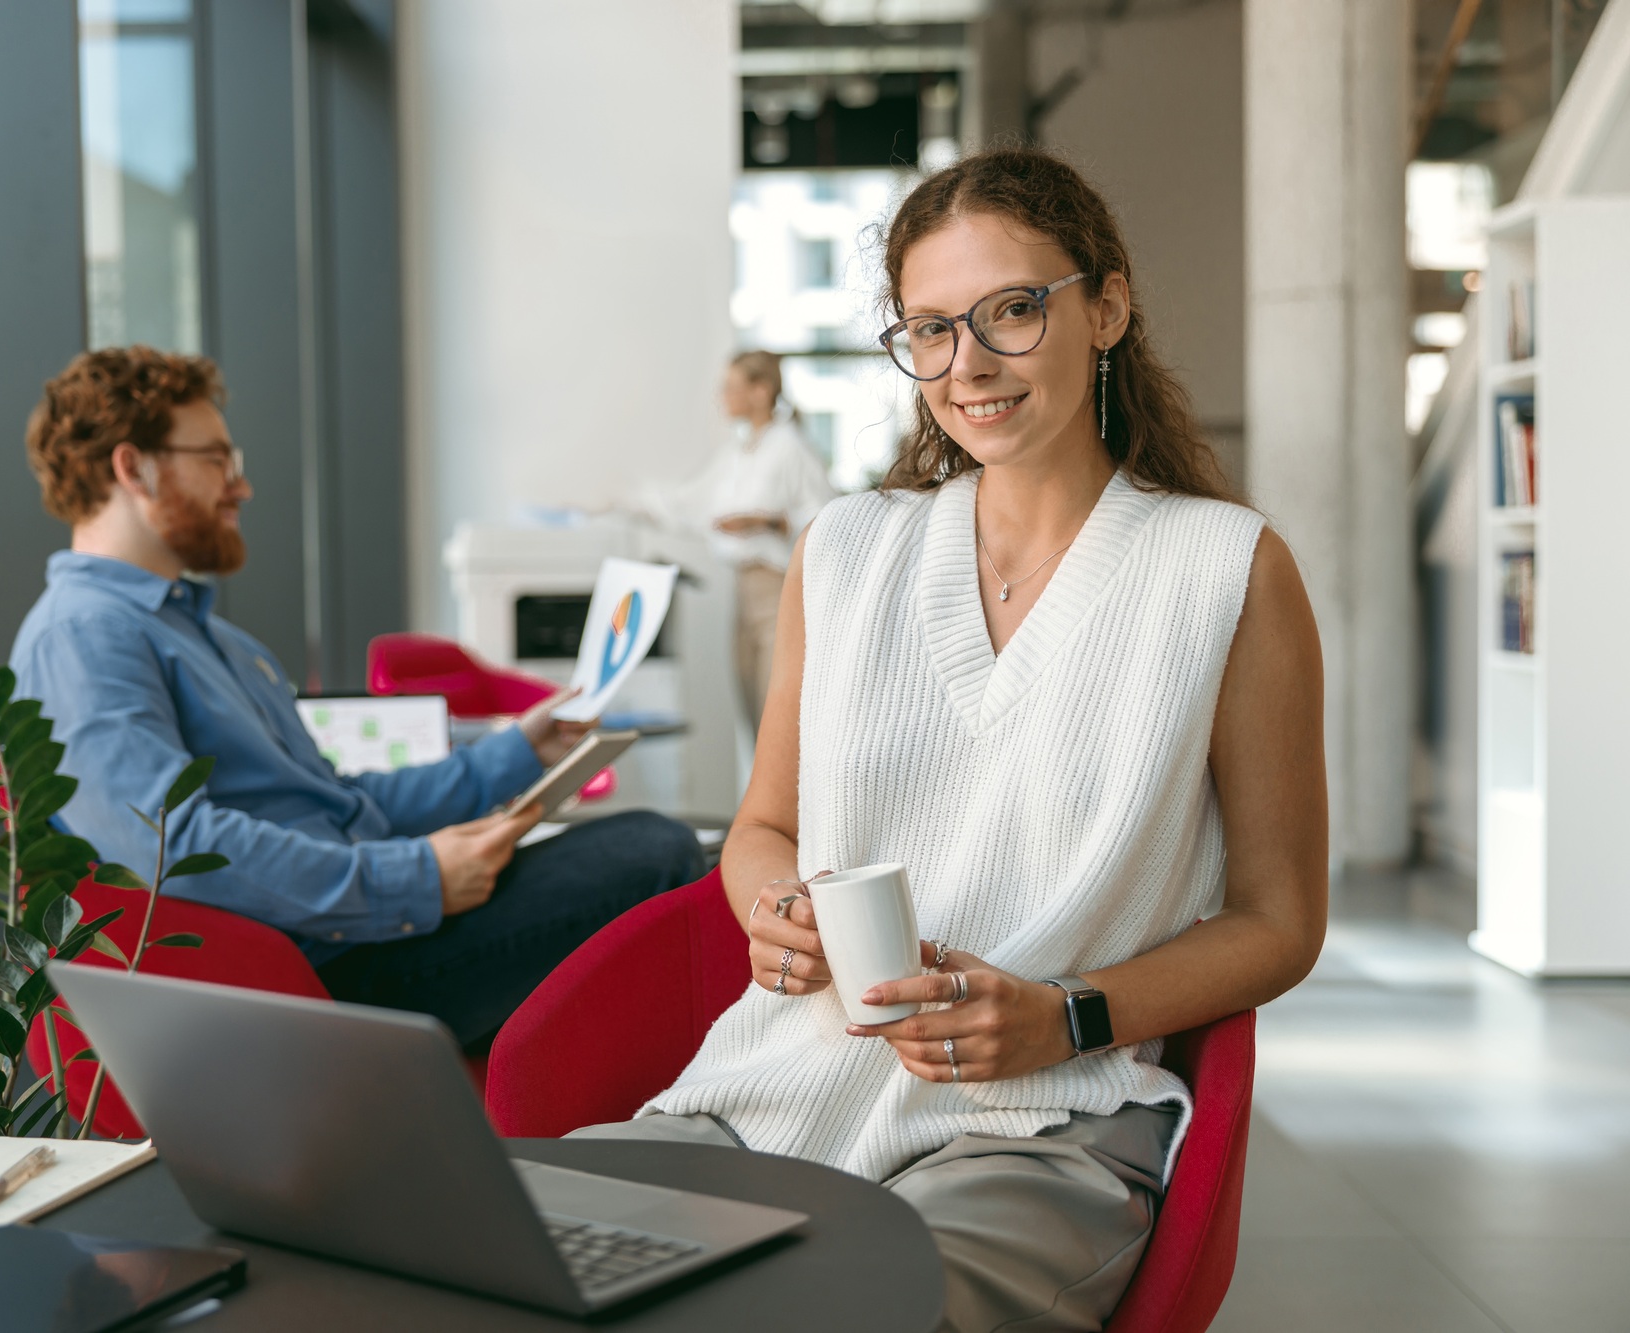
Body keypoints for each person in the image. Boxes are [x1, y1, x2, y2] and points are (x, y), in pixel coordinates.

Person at [568, 148, 1328, 1332]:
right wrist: (772, 907)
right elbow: (762, 827)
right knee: (512, 1264)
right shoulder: (847, 549)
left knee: (845, 1312)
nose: (964, 364)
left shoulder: (1223, 569)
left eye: (1009, 312)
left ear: (1106, 308)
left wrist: (1063, 1011)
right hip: (770, 1086)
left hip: (1037, 1126)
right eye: (927, 328)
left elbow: (1278, 921)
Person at [10, 347, 704, 1050]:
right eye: (218, 458)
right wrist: (415, 879)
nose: (241, 486)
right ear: (134, 467)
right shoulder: (83, 635)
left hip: (368, 922)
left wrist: (523, 751)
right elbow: (166, 845)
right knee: (658, 853)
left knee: (667, 846)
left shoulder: (209, 635)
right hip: (329, 965)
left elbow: (342, 803)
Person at [650, 351, 836, 732]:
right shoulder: (740, 450)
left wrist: (764, 521)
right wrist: (625, 498)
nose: (723, 397)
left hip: (776, 586)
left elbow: (828, 516)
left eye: (732, 388)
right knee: (751, 702)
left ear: (761, 391)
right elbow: (690, 503)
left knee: (777, 711)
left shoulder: (789, 446)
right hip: (743, 589)